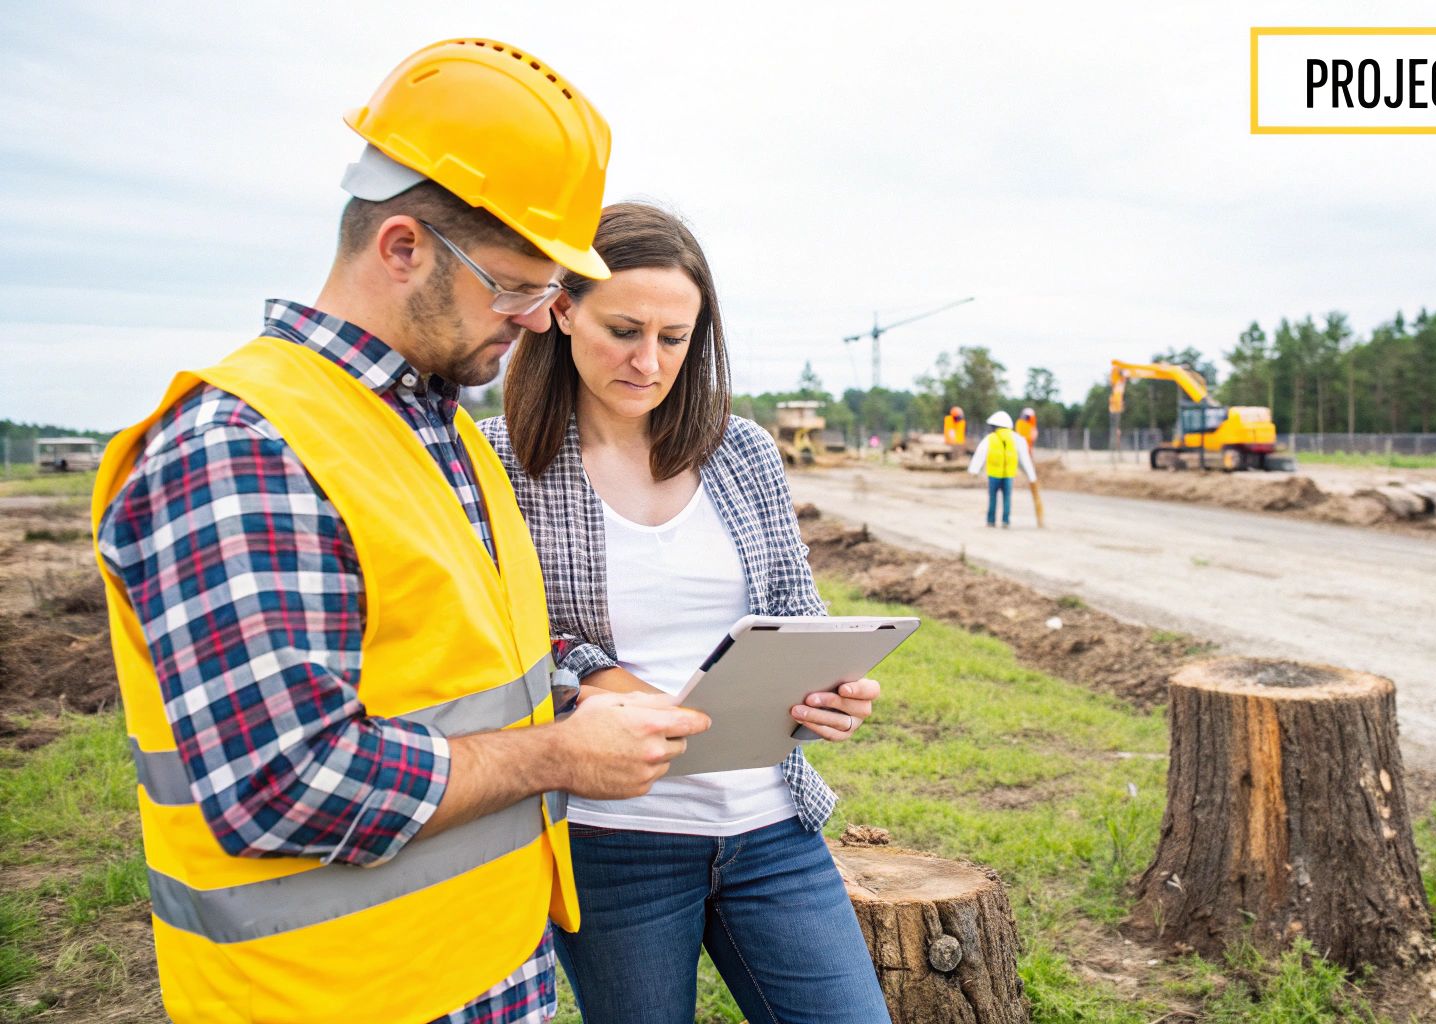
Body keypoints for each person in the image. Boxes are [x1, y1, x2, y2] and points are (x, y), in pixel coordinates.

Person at [92, 41, 709, 1024]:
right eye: (515, 285)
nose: (541, 322)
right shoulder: (243, 449)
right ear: (404, 248)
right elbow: (285, 783)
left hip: (486, 971)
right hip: (333, 997)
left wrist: (589, 685)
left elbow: (465, 652)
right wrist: (557, 755)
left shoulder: (442, 429)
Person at [479, 202, 891, 1024]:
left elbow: (794, 608)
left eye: (675, 338)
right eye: (625, 330)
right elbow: (502, 640)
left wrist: (829, 687)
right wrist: (598, 679)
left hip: (771, 825)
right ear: (561, 310)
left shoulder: (740, 452)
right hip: (612, 839)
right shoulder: (500, 460)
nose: (649, 361)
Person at [968, 409, 1039, 527]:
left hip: (994, 474)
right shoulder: (1017, 439)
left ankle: (991, 521)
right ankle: (1005, 521)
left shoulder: (990, 438)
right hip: (1008, 475)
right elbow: (1024, 460)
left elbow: (980, 454)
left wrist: (974, 471)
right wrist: (1032, 477)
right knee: (1007, 499)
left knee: (993, 498)